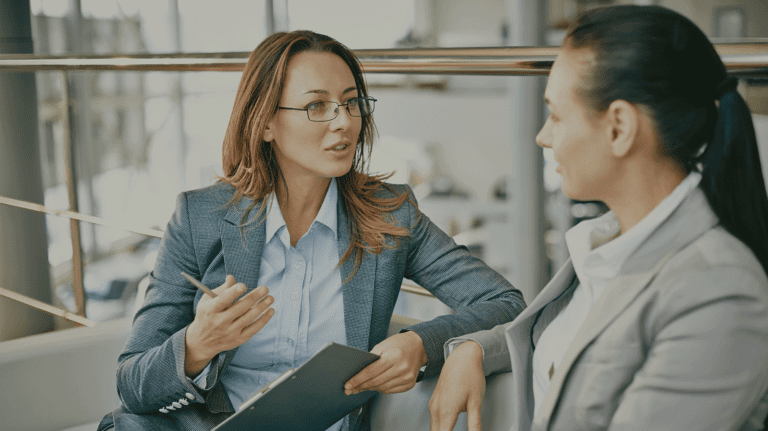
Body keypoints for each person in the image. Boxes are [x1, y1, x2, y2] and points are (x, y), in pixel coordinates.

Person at [97, 30, 525, 431]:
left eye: (352, 102)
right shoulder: (199, 217)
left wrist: (421, 343)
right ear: (265, 124)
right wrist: (197, 344)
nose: (344, 122)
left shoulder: (391, 215)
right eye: (317, 106)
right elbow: (132, 383)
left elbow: (505, 302)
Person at [428, 5, 768, 431]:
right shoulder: (609, 245)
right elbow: (573, 344)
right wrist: (475, 349)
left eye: (555, 115)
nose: (543, 136)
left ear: (619, 127)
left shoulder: (718, 292)